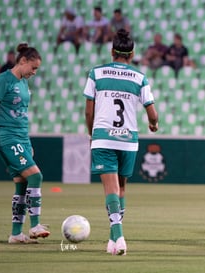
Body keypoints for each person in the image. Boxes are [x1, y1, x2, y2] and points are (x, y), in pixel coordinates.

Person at [83, 29, 158, 255]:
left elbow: (89, 112)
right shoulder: (139, 77)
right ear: (132, 53)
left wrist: (91, 133)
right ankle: (112, 240)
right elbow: (152, 114)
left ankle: (118, 236)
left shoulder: (96, 74)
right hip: (128, 140)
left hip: (104, 138)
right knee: (121, 187)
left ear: (111, 51)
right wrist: (153, 124)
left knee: (110, 188)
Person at [0, 43, 50, 244]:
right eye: (33, 67)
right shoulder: (3, 80)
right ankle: (35, 225)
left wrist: (27, 142)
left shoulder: (23, 83)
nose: (34, 72)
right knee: (36, 176)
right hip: (6, 137)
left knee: (22, 185)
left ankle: (15, 234)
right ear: (23, 61)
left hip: (20, 138)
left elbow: (22, 115)